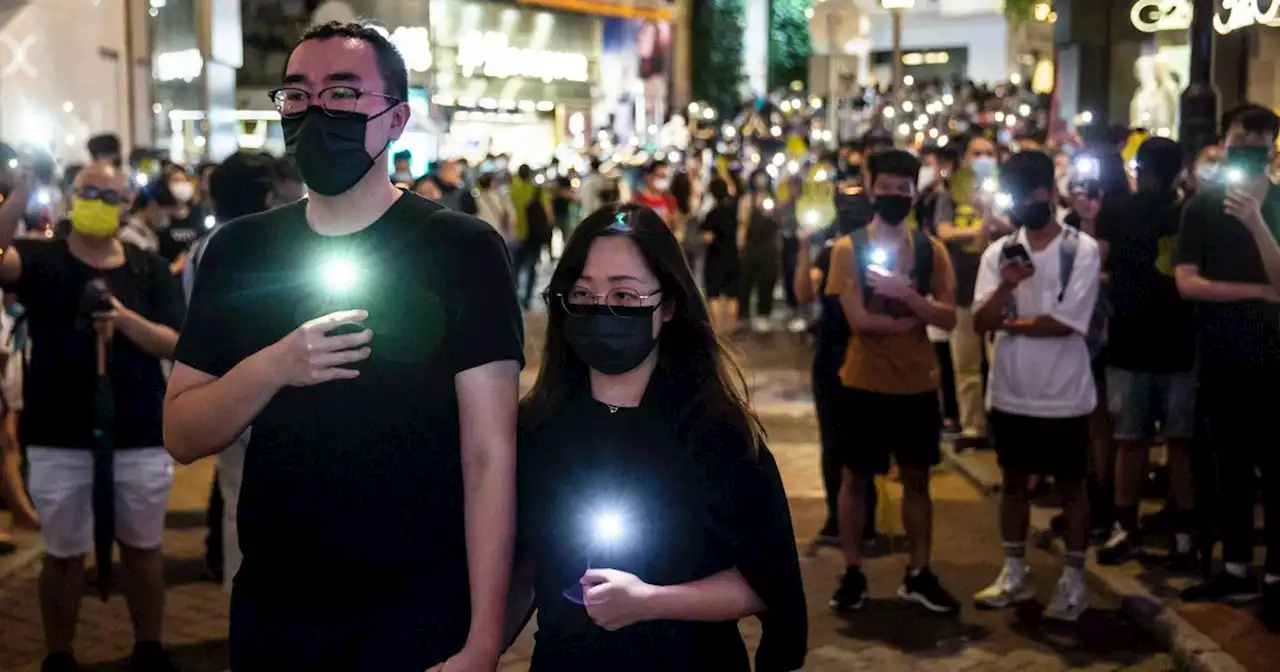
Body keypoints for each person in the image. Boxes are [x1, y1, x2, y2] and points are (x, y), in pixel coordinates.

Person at [164, 21, 524, 670]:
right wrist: (275, 366)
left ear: (396, 120)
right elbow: (183, 433)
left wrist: (484, 638)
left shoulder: (462, 250)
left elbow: (489, 456)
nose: (314, 111)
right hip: (277, 609)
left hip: (417, 609)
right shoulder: (240, 251)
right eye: (296, 95)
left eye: (341, 93)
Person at [511, 203, 807, 671]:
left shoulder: (715, 431)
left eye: (624, 296)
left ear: (666, 304)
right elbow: (520, 570)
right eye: (583, 294)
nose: (601, 309)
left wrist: (650, 601)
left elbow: (767, 583)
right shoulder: (537, 428)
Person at [0, 161, 184, 672]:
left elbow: (177, 340)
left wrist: (124, 322)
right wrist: (22, 188)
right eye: (90, 193)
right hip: (58, 433)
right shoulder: (41, 259)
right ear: (71, 196)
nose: (100, 205)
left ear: (126, 205)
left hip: (140, 430)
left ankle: (149, 646)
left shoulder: (147, 267)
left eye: (111, 197)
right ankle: (59, 653)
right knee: (61, 554)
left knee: (144, 550)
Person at [826, 149, 961, 615]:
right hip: (864, 382)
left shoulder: (931, 250)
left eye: (902, 190)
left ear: (912, 191)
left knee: (919, 480)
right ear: (870, 189)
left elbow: (950, 315)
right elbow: (860, 320)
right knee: (856, 479)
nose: (894, 197)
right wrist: (915, 314)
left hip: (917, 386)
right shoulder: (848, 249)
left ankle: (919, 572)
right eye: (885, 189)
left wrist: (905, 296)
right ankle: (852, 571)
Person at [970, 150, 1101, 622]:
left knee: (1072, 485)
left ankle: (1073, 579)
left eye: (1029, 193)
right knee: (1011, 483)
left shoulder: (1077, 250)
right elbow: (980, 322)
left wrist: (1013, 321)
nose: (1022, 203)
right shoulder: (997, 253)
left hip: (1065, 393)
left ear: (1048, 193)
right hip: (1010, 390)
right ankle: (1014, 570)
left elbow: (1067, 324)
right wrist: (1006, 289)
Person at [1175, 104, 1280, 617]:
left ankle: (1275, 574)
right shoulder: (1201, 207)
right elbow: (1187, 281)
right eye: (1240, 139)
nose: (1247, 149)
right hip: (1220, 353)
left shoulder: (1278, 202)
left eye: (1258, 141)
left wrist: (1258, 220)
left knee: (1275, 466)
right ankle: (1235, 568)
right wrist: (1255, 291)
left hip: (1274, 357)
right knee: (1229, 465)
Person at [1094, 137, 1197, 570]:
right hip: (1175, 339)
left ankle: (1129, 526)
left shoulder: (1116, 210)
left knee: (1134, 439)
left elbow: (1097, 268)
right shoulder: (1187, 212)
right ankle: (1182, 533)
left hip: (1137, 337)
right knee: (1176, 441)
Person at [182, 151, 281, 587]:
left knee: (239, 507)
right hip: (252, 397)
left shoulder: (207, 247)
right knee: (248, 515)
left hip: (226, 396)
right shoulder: (242, 245)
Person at [933, 134, 1000, 451]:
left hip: (998, 292)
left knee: (999, 364)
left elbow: (1011, 225)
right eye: (977, 153)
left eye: (989, 153)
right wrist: (979, 227)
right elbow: (944, 232)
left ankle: (1000, 424)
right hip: (962, 288)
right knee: (966, 364)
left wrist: (990, 214)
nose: (984, 159)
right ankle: (973, 427)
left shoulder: (1004, 190)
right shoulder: (950, 194)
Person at [737, 170, 781, 333]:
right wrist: (741, 245)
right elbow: (743, 224)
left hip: (768, 246)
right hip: (752, 245)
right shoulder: (747, 200)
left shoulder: (774, 200)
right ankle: (743, 316)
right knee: (746, 282)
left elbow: (779, 222)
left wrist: (773, 213)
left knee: (767, 280)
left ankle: (764, 315)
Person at [701, 178, 740, 332]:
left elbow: (707, 238)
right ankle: (731, 329)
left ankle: (717, 330)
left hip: (715, 258)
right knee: (732, 295)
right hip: (733, 257)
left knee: (714, 295)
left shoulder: (712, 214)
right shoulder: (734, 212)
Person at [512, 165, 554, 310]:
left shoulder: (512, 190)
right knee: (531, 266)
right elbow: (548, 213)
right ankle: (527, 298)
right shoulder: (537, 191)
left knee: (514, 267)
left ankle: (513, 295)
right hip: (533, 236)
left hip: (515, 235)